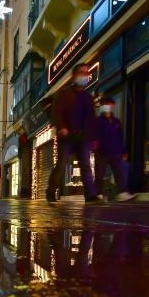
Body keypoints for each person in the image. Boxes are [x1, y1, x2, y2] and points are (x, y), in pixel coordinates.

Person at [47, 63, 99, 203]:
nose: (85, 75)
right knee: (62, 165)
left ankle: (90, 195)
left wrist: (93, 138)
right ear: (74, 76)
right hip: (67, 136)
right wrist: (62, 127)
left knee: (86, 166)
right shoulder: (64, 94)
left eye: (86, 73)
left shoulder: (88, 97)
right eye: (81, 72)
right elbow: (56, 112)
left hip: (84, 137)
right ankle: (51, 192)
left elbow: (92, 118)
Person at [95, 97, 135, 202]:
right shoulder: (98, 121)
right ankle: (98, 194)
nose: (110, 108)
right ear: (103, 106)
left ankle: (122, 192)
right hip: (101, 152)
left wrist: (124, 151)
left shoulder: (116, 121)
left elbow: (120, 137)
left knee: (120, 173)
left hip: (115, 152)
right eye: (108, 105)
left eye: (111, 105)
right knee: (100, 174)